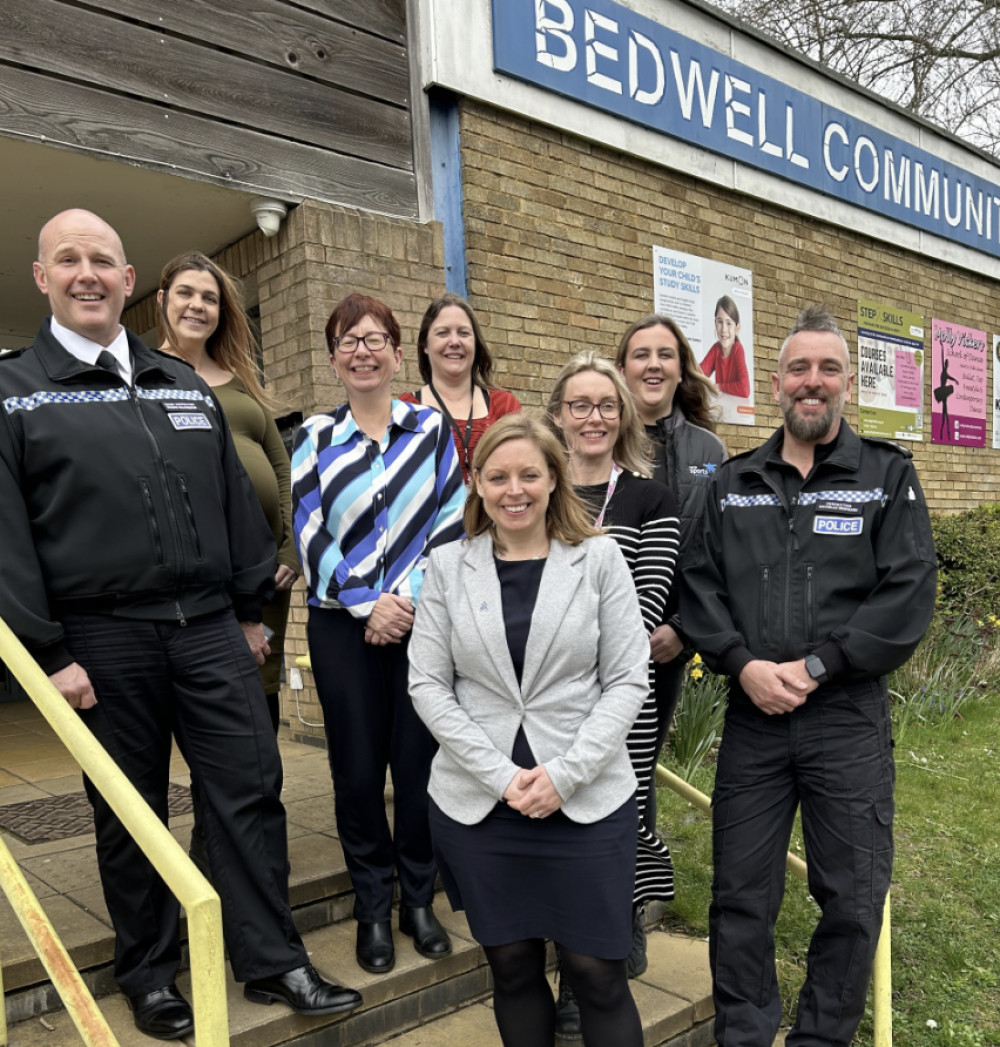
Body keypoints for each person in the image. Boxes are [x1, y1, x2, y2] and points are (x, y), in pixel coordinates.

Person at [0, 209, 361, 1039]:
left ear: (131, 283)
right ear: (42, 277)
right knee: (132, 812)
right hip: (99, 637)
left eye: (103, 260)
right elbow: (7, 536)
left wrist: (247, 611)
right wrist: (47, 650)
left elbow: (236, 505)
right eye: (68, 260)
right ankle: (151, 973)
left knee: (250, 791)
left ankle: (274, 960)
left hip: (208, 628)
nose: (86, 273)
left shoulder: (180, 382)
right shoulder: (16, 391)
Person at [680, 305, 937, 1047]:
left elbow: (906, 593)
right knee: (739, 897)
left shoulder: (887, 476)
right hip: (754, 719)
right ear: (777, 381)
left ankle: (821, 1039)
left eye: (827, 368)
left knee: (853, 899)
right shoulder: (731, 484)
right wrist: (742, 664)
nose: (812, 381)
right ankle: (746, 1034)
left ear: (848, 383)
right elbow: (698, 584)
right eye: (799, 368)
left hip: (845, 719)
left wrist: (818, 665)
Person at [408, 414, 650, 1047]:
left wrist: (564, 778)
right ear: (477, 483)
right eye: (497, 476)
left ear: (554, 479)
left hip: (587, 802)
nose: (513, 490)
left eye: (528, 475)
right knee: (511, 969)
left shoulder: (599, 558)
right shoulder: (447, 566)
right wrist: (503, 777)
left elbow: (627, 679)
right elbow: (427, 685)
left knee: (597, 973)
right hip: (481, 807)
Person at [292, 292, 465, 976]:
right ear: (334, 359)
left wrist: (408, 599)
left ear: (398, 353)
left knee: (418, 766)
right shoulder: (312, 438)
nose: (362, 350)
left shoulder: (430, 431)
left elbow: (451, 522)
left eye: (375, 338)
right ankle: (372, 903)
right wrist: (368, 604)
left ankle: (418, 900)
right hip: (343, 627)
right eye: (347, 340)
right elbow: (307, 532)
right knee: (357, 770)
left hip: (421, 623)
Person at [545, 352, 679, 1010]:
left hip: (622, 698)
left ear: (622, 415)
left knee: (608, 825)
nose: (593, 416)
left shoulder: (651, 498)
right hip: (542, 701)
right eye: (580, 404)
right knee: (559, 830)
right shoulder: (535, 493)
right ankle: (583, 944)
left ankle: (586, 974)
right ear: (558, 415)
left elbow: (645, 604)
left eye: (606, 404)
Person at [157, 251, 297, 735]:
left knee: (262, 707)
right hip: (207, 582)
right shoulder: (148, 377)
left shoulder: (241, 380)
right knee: (214, 720)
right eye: (186, 294)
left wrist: (289, 550)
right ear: (162, 301)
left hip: (267, 578)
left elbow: (280, 467)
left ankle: (259, 807)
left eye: (209, 298)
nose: (198, 306)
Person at [616, 315, 728, 830]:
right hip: (597, 633)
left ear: (682, 369)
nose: (653, 364)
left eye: (665, 354)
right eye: (641, 354)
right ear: (622, 368)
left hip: (666, 639)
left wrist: (682, 630)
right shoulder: (594, 437)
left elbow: (718, 550)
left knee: (640, 761)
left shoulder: (710, 452)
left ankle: (639, 887)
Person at [400, 292, 521, 483]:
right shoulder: (406, 410)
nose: (455, 342)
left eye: (464, 333)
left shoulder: (505, 407)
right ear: (425, 344)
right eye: (443, 333)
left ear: (475, 343)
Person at [699, 295, 750, 398]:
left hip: (736, 409)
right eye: (720, 322)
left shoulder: (737, 349)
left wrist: (719, 387)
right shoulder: (716, 349)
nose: (723, 329)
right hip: (722, 405)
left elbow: (745, 389)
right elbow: (699, 374)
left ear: (737, 328)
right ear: (715, 323)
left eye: (729, 323)